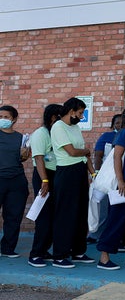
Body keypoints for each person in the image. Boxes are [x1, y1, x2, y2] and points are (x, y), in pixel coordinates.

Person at [95, 107, 125, 270]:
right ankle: (104, 257)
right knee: (116, 219)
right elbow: (117, 156)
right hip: (123, 183)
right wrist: (121, 180)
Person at [50, 98, 96, 268]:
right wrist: (85, 151)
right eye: (80, 112)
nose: (81, 116)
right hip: (66, 172)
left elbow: (83, 154)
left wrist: (93, 173)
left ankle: (78, 251)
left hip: (79, 171)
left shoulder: (75, 127)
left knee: (80, 213)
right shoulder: (58, 127)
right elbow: (72, 151)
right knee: (65, 214)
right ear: (71, 111)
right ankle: (60, 255)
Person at [27, 104, 63, 267]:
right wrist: (45, 181)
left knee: (54, 215)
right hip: (44, 175)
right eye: (60, 117)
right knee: (44, 215)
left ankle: (45, 250)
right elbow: (39, 158)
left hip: (57, 174)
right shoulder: (40, 134)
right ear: (53, 117)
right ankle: (35, 253)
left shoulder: (57, 132)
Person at [0, 105, 30, 258]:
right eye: (1, 117)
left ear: (14, 119)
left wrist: (25, 154)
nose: (2, 120)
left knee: (13, 216)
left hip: (16, 180)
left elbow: (24, 158)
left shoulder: (21, 138)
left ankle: (7, 248)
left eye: (6, 117)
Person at [88, 113, 122, 244]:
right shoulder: (107, 137)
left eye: (122, 122)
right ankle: (95, 234)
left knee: (116, 208)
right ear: (112, 125)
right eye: (117, 122)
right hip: (105, 176)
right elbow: (98, 155)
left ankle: (115, 236)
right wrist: (96, 173)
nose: (119, 125)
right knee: (102, 207)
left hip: (120, 177)